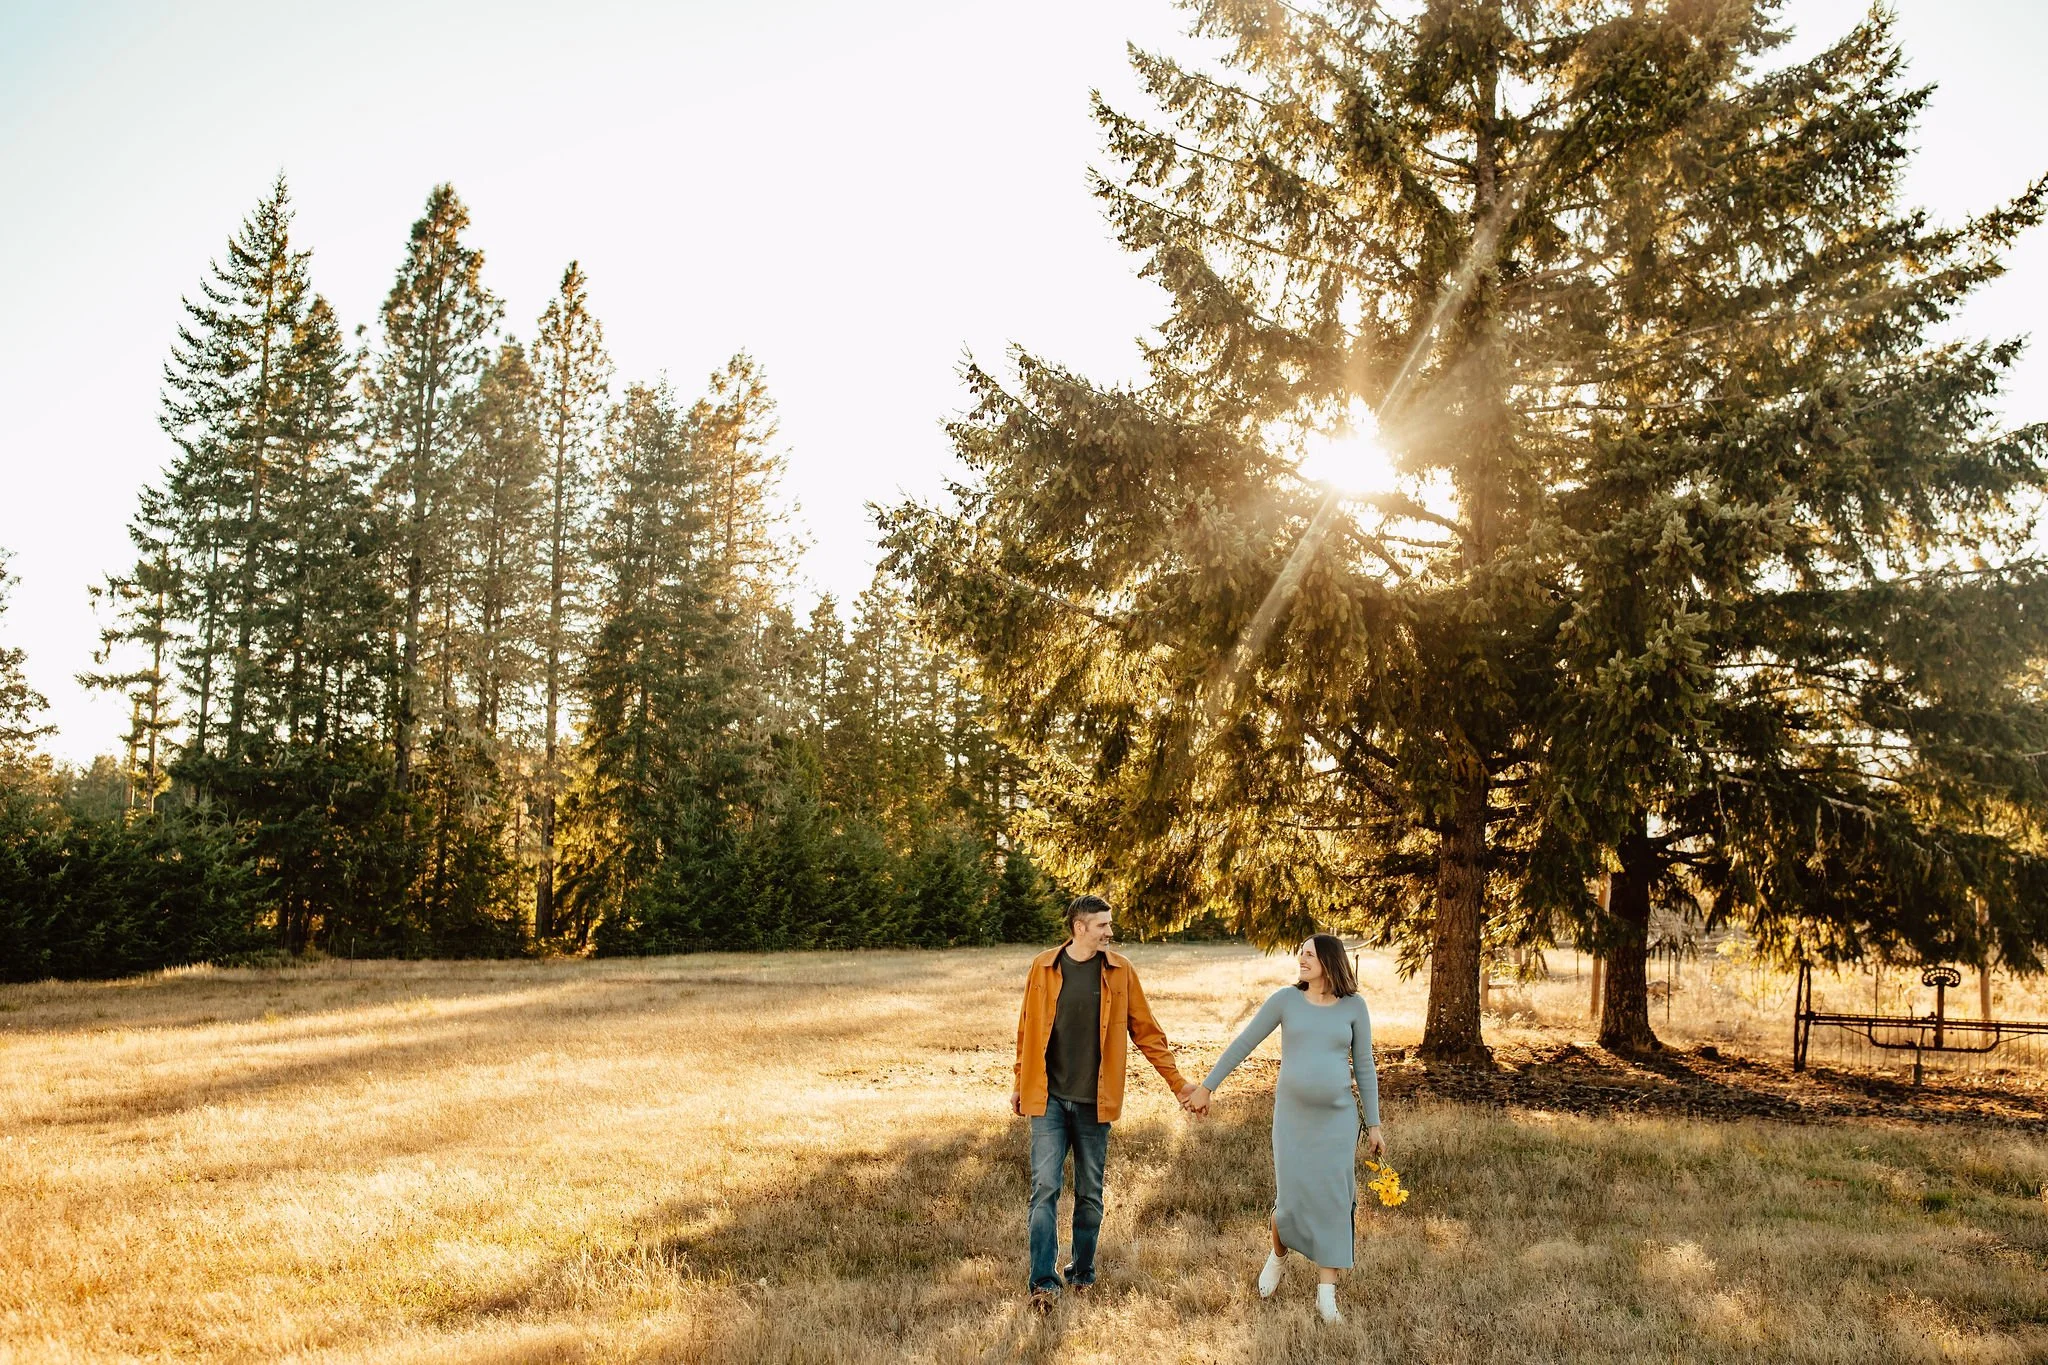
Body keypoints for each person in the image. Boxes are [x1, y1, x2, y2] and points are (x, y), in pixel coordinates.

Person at [1011, 894, 1201, 1311]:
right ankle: (1043, 1282)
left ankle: (1081, 1273)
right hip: (1048, 1099)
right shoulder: (1043, 967)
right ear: (1079, 928)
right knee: (1044, 1189)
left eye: (1109, 924)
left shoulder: (1120, 971)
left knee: (1090, 1194)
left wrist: (1178, 1084)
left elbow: (1147, 1032)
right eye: (1102, 925)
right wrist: (1020, 1081)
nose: (1110, 932)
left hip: (1094, 1102)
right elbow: (1028, 1027)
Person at [1183, 933, 1383, 1324]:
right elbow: (1244, 1043)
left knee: (1334, 1200)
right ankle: (1278, 1255)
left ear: (1329, 961)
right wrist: (1207, 1087)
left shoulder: (1354, 1007)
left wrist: (1374, 1125)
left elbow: (1365, 1066)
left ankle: (1326, 1297)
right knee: (1290, 1199)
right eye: (1301, 954)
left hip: (1338, 1121)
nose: (1301, 960)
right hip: (1293, 1119)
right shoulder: (1285, 1000)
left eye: (1309, 955)